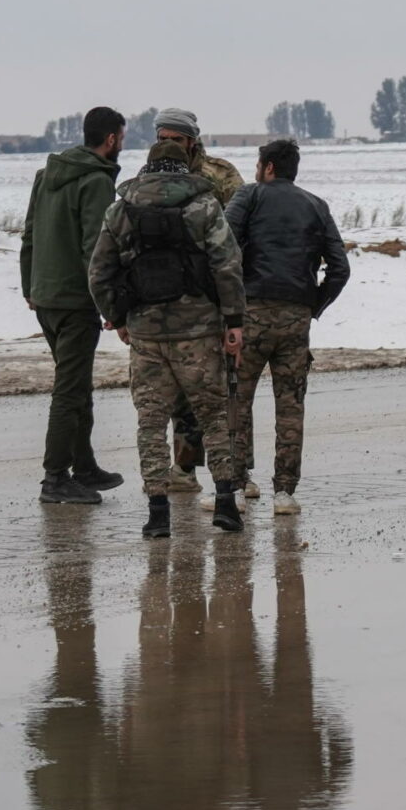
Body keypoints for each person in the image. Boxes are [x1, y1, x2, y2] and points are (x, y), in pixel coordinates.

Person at [87, 134, 249, 538]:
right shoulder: (205, 205)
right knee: (214, 417)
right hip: (198, 330)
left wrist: (118, 316)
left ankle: (158, 512)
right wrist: (234, 321)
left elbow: (98, 273)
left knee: (150, 422)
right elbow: (227, 265)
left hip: (146, 334)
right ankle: (226, 502)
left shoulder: (122, 208)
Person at [224, 138, 349, 517]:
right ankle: (285, 491)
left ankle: (238, 481)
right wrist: (314, 304)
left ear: (268, 167)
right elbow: (340, 268)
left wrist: (228, 306)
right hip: (295, 317)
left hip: (251, 314)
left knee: (237, 400)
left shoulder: (250, 196)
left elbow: (222, 248)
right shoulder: (315, 205)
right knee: (291, 406)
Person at [20, 105, 127, 505]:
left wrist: (29, 286)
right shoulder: (96, 182)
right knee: (69, 390)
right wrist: (109, 305)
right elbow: (95, 250)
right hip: (75, 301)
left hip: (46, 297)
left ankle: (84, 467)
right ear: (111, 139)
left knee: (77, 386)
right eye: (122, 137)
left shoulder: (47, 175)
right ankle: (55, 478)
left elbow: (28, 234)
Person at [147, 108, 244, 494]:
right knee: (173, 395)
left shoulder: (219, 175)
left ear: (191, 140)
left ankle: (233, 474)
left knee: (216, 392)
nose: (168, 144)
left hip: (209, 295)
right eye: (162, 136)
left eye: (175, 137)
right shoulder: (149, 175)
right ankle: (184, 468)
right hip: (161, 298)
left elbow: (236, 234)